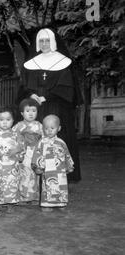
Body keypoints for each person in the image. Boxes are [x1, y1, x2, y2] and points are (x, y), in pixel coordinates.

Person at [18, 27, 82, 181]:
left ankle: (61, 174)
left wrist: (47, 96)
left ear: (52, 42)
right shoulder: (31, 63)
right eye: (41, 41)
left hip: (56, 106)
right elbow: (24, 86)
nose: (44, 43)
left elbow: (66, 88)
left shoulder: (64, 62)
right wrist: (30, 94)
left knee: (57, 137)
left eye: (47, 40)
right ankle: (35, 173)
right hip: (36, 108)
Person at [31, 115, 74, 211]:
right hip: (47, 170)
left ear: (59, 128)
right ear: (43, 129)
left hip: (60, 170)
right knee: (47, 186)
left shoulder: (61, 142)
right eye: (46, 128)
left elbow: (67, 154)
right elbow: (36, 154)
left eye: (52, 128)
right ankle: (47, 204)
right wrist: (36, 166)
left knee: (61, 186)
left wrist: (69, 165)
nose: (49, 130)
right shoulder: (41, 143)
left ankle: (61, 202)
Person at [0, 107, 25, 214]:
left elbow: (22, 148)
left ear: (13, 120)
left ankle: (11, 203)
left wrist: (17, 150)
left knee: (12, 184)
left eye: (8, 119)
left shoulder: (17, 135)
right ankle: (0, 204)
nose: (5, 123)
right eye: (1, 120)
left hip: (12, 166)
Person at [12, 98, 43, 205]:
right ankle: (23, 196)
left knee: (36, 174)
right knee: (24, 174)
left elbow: (44, 139)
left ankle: (35, 197)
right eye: (27, 111)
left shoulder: (40, 126)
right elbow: (13, 138)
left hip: (36, 152)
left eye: (34, 111)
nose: (31, 114)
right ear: (22, 113)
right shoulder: (18, 126)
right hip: (23, 153)